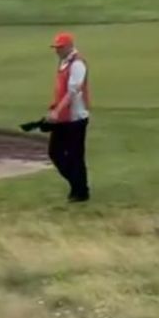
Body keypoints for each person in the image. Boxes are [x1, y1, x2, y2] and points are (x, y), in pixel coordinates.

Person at [47, 31, 91, 202]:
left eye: (60, 47)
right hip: (63, 117)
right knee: (55, 152)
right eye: (56, 47)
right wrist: (54, 107)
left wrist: (58, 110)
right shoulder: (64, 62)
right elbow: (61, 89)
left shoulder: (77, 64)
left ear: (69, 46)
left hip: (76, 117)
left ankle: (80, 191)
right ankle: (78, 186)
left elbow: (73, 91)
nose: (57, 50)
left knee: (75, 155)